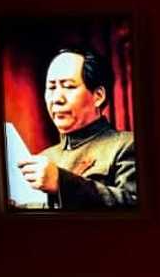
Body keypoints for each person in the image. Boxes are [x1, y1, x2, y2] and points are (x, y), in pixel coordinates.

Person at [16, 47, 137, 209]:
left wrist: (62, 183)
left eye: (68, 86)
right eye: (51, 88)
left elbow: (135, 205)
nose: (57, 99)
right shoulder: (43, 158)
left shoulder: (127, 145)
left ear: (98, 96)